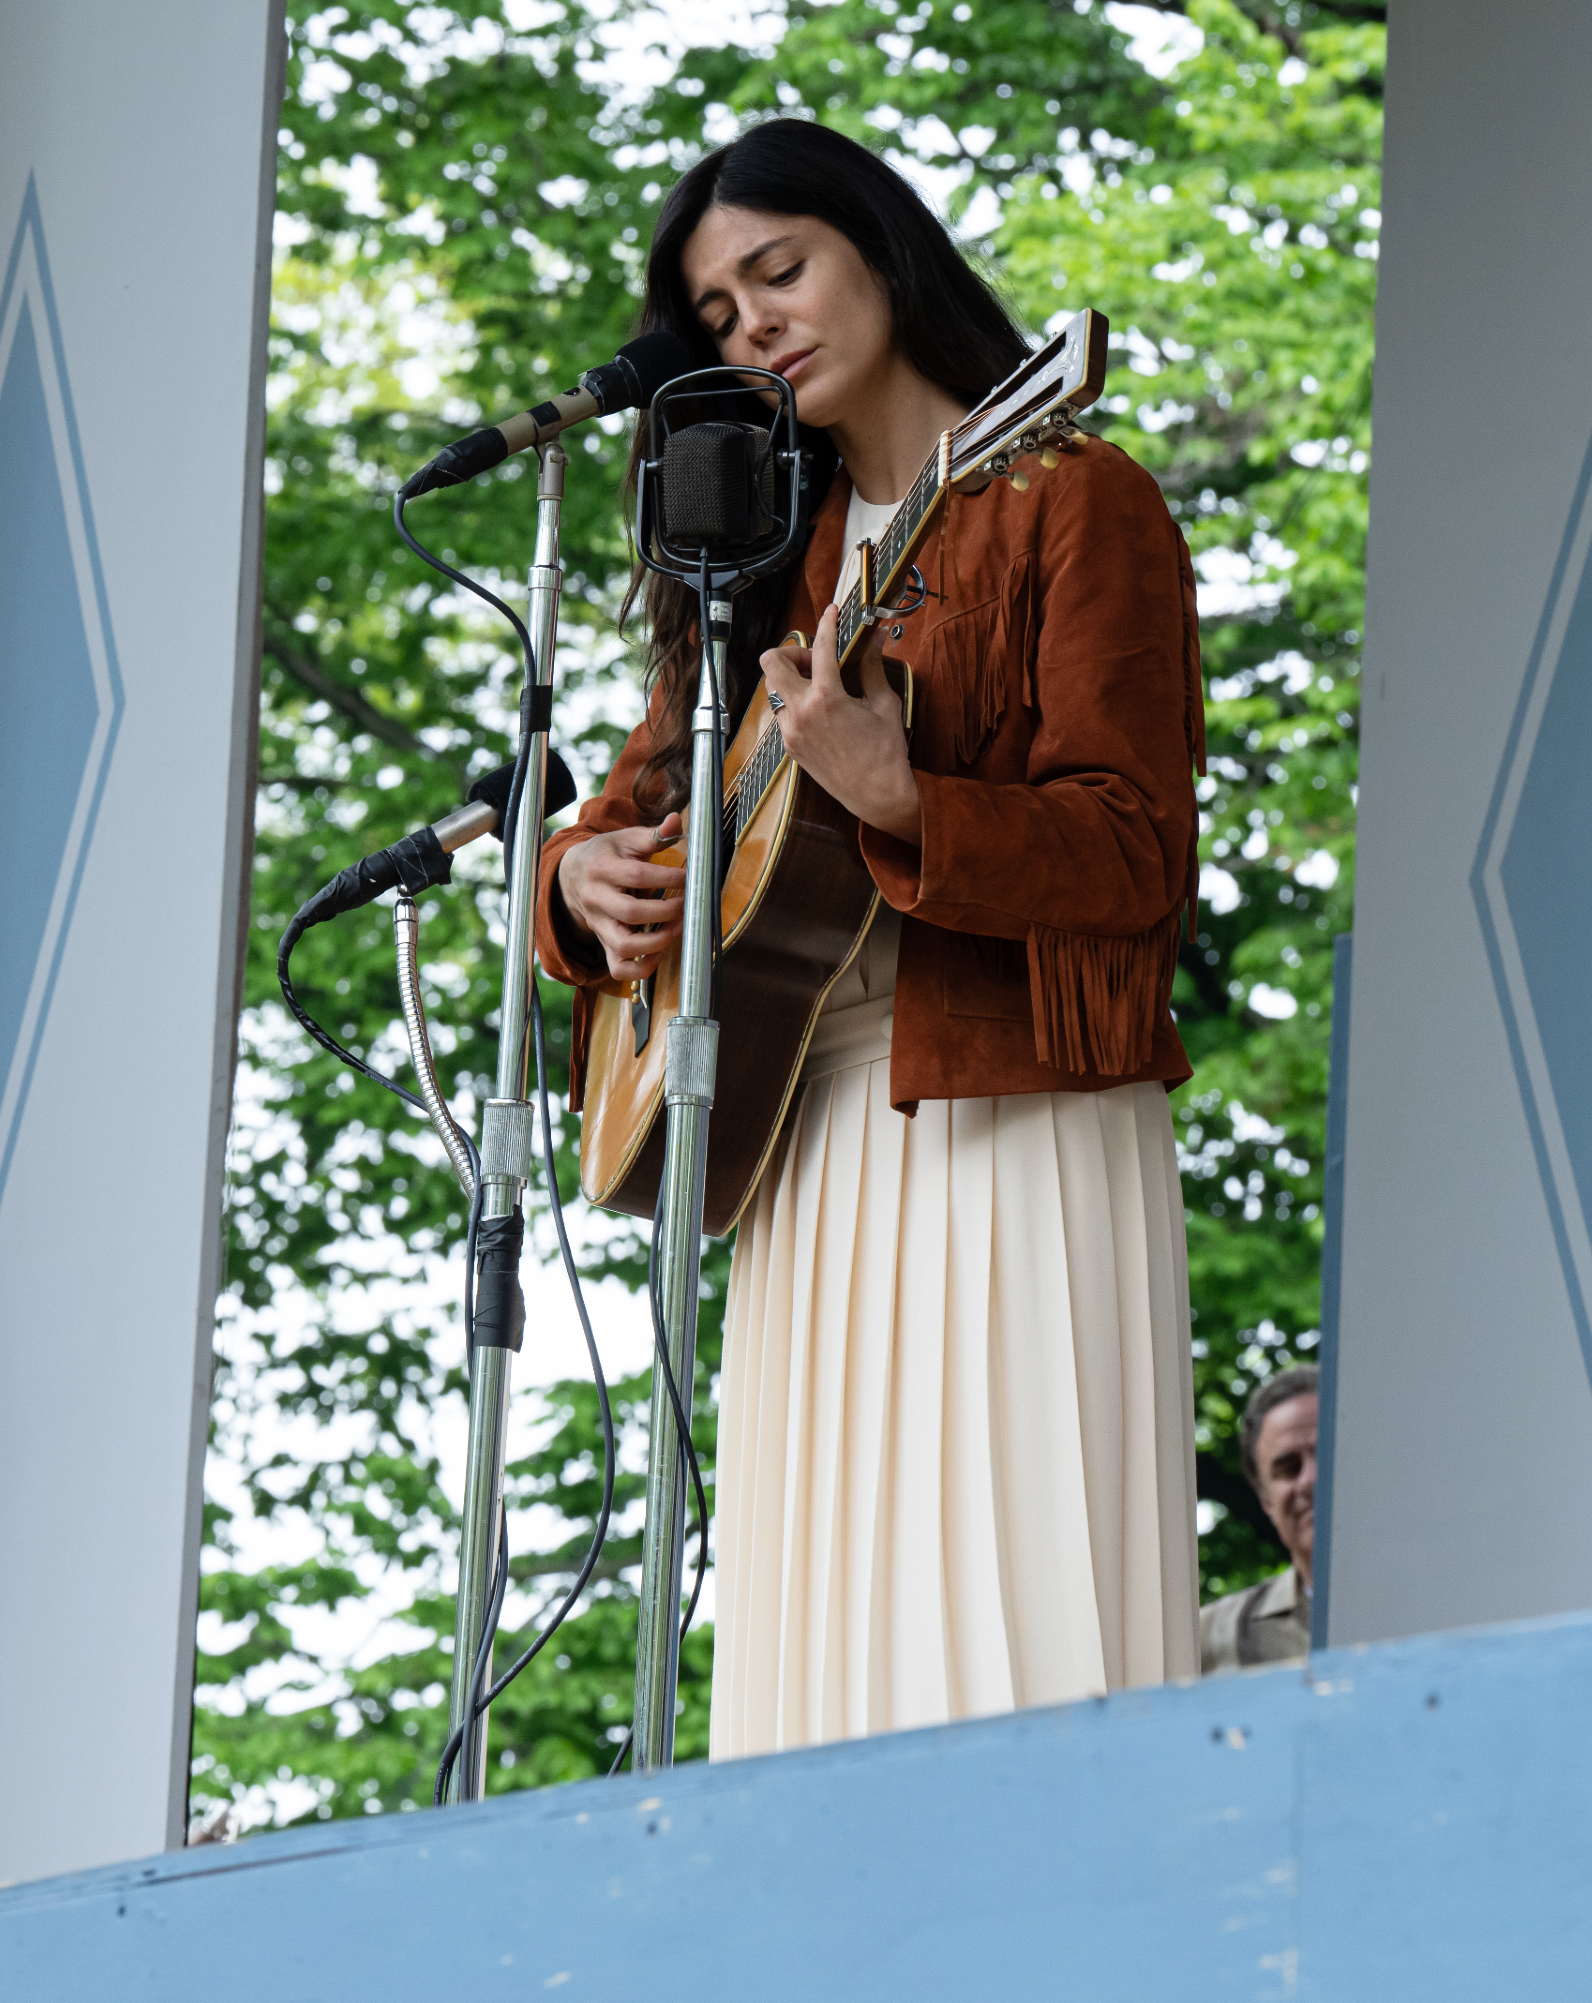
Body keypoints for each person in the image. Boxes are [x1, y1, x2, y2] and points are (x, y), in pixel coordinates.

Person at [536, 118, 1205, 1754]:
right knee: (818, 1635)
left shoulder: (1075, 501)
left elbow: (1138, 856)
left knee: (1011, 1628)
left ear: (881, 254)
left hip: (1012, 1120)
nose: (751, 323)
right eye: (714, 312)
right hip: (801, 1142)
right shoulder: (752, 568)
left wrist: (904, 797)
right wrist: (574, 891)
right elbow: (622, 819)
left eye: (781, 270)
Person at [1200, 1367, 1317, 1673]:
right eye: (1289, 1468)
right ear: (1266, 1501)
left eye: (1328, 1454)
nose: (1310, 1480)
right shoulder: (1203, 1642)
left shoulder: (1447, 1604)